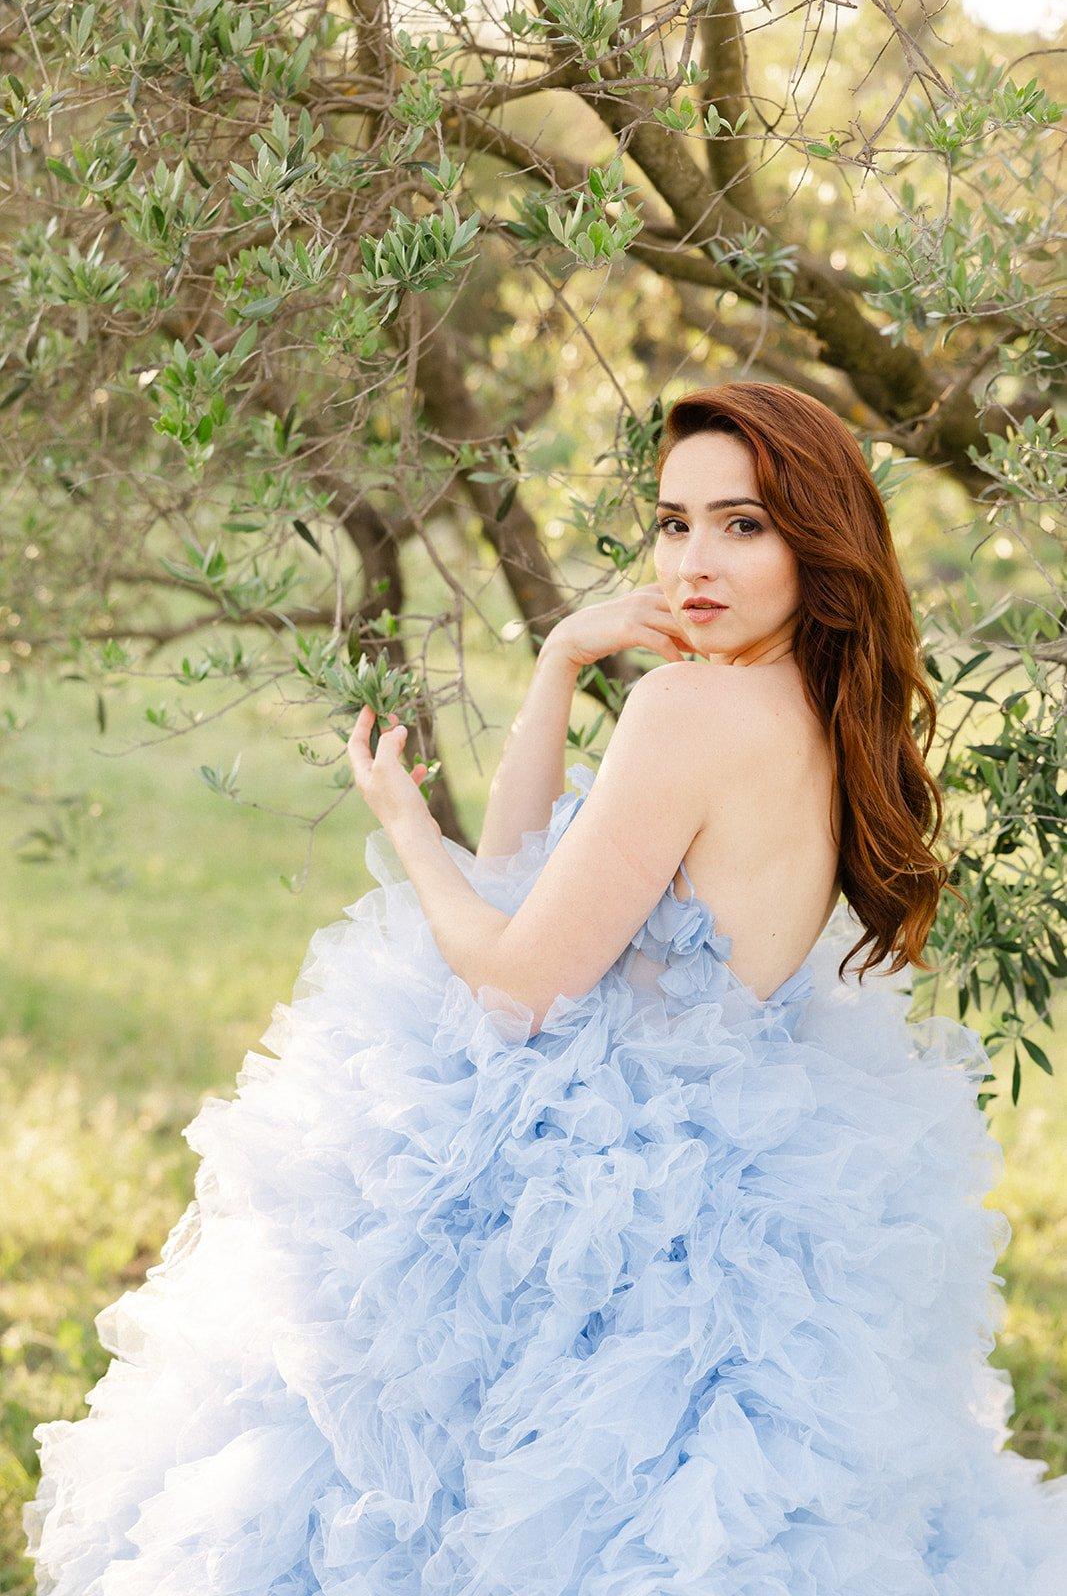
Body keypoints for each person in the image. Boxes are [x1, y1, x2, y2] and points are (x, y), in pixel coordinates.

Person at [24, 382, 1067, 1593]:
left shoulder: (688, 706)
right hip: (734, 1163)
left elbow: (517, 983)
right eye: (673, 523)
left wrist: (407, 830)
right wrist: (563, 657)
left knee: (425, 1484)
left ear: (816, 537)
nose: (692, 559)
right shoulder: (822, 706)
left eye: (742, 524)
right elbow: (529, 875)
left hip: (613, 1181)